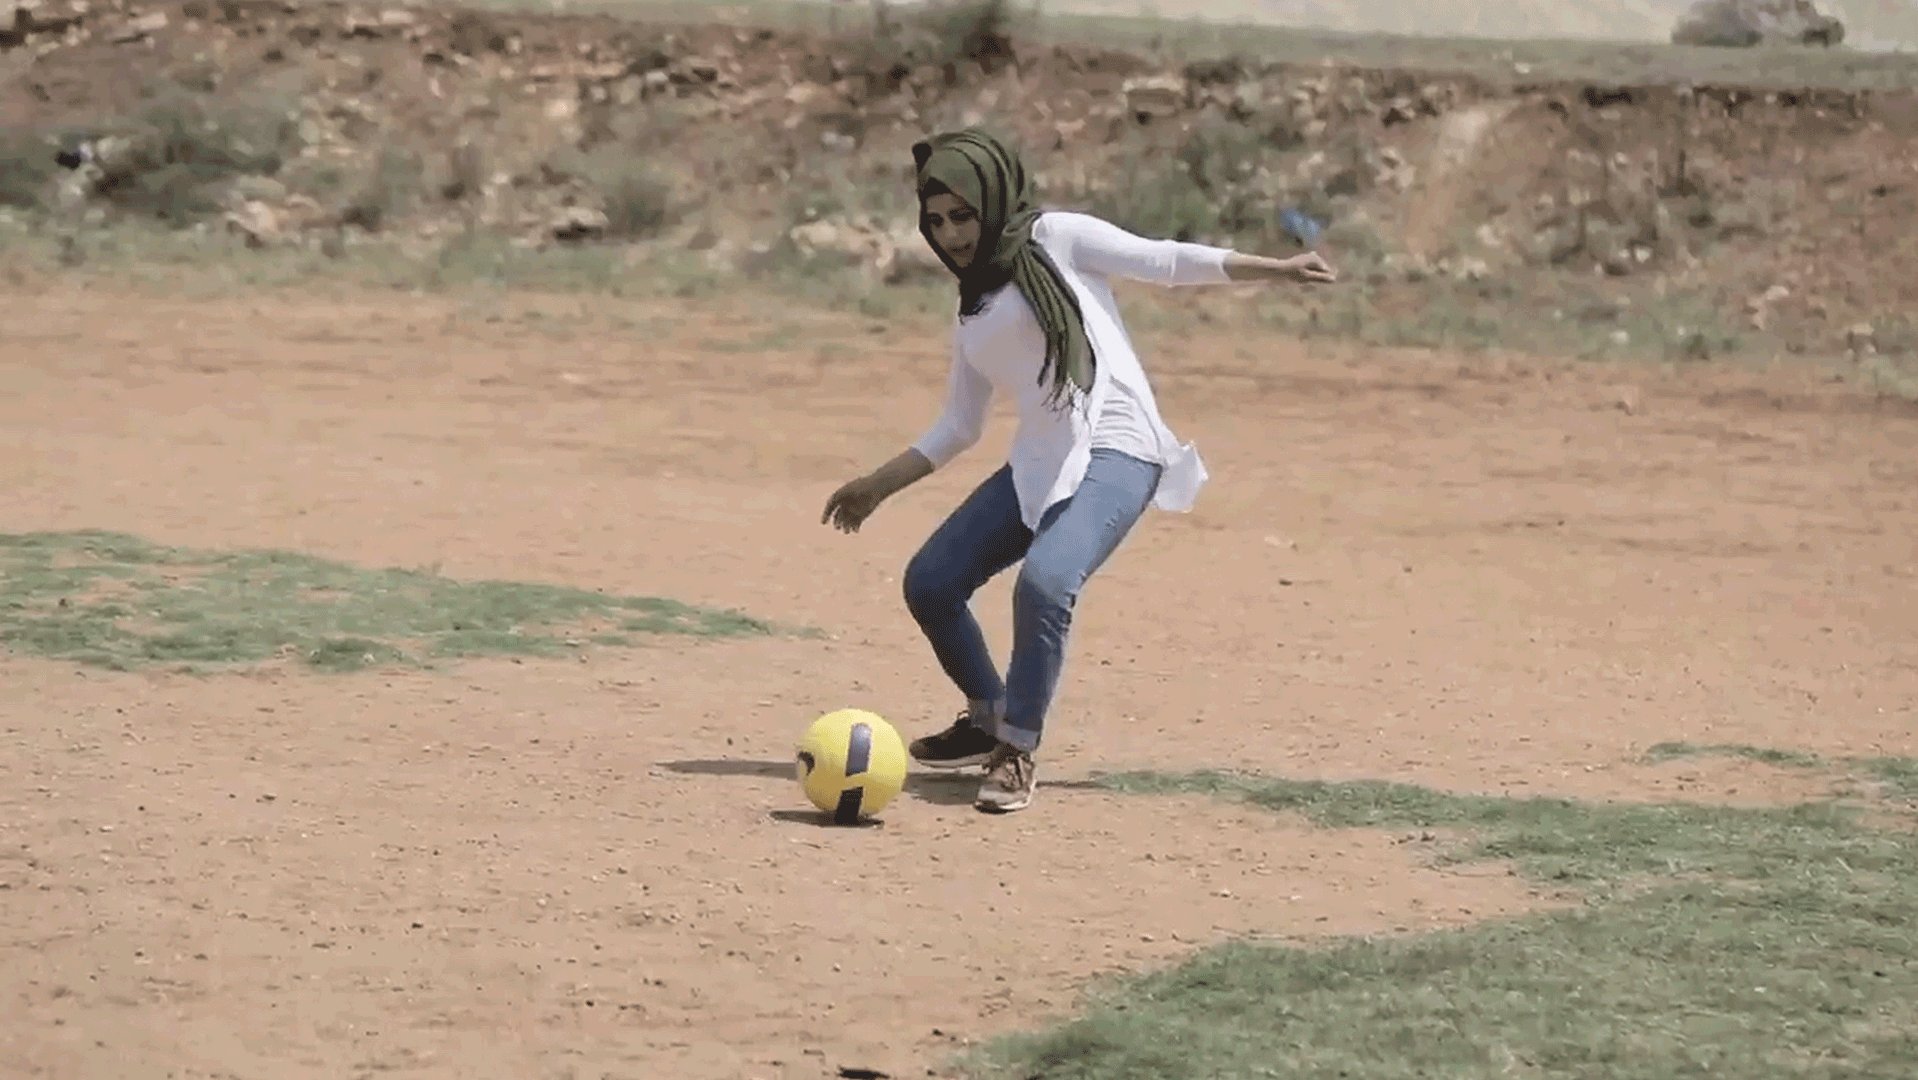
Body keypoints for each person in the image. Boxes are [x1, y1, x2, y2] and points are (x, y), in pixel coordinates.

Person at [820, 128, 1336, 814]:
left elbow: (1164, 261)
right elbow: (958, 427)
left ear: (994, 199)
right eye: (936, 221)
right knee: (932, 582)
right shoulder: (973, 313)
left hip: (1122, 450)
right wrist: (874, 486)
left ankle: (1017, 749)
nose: (950, 234)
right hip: (1042, 460)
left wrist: (1274, 268)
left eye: (963, 216)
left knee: (1046, 582)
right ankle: (987, 715)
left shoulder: (1053, 237)